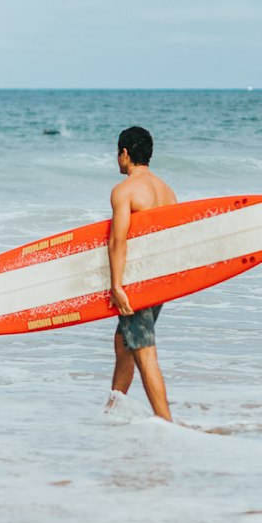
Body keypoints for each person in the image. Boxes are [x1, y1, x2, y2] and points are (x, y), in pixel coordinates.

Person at [105, 125, 177, 422]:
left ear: (125, 153)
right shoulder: (167, 190)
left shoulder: (125, 191)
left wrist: (116, 285)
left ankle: (166, 423)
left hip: (136, 281)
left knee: (144, 350)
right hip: (160, 279)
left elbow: (117, 241)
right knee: (124, 343)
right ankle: (113, 410)